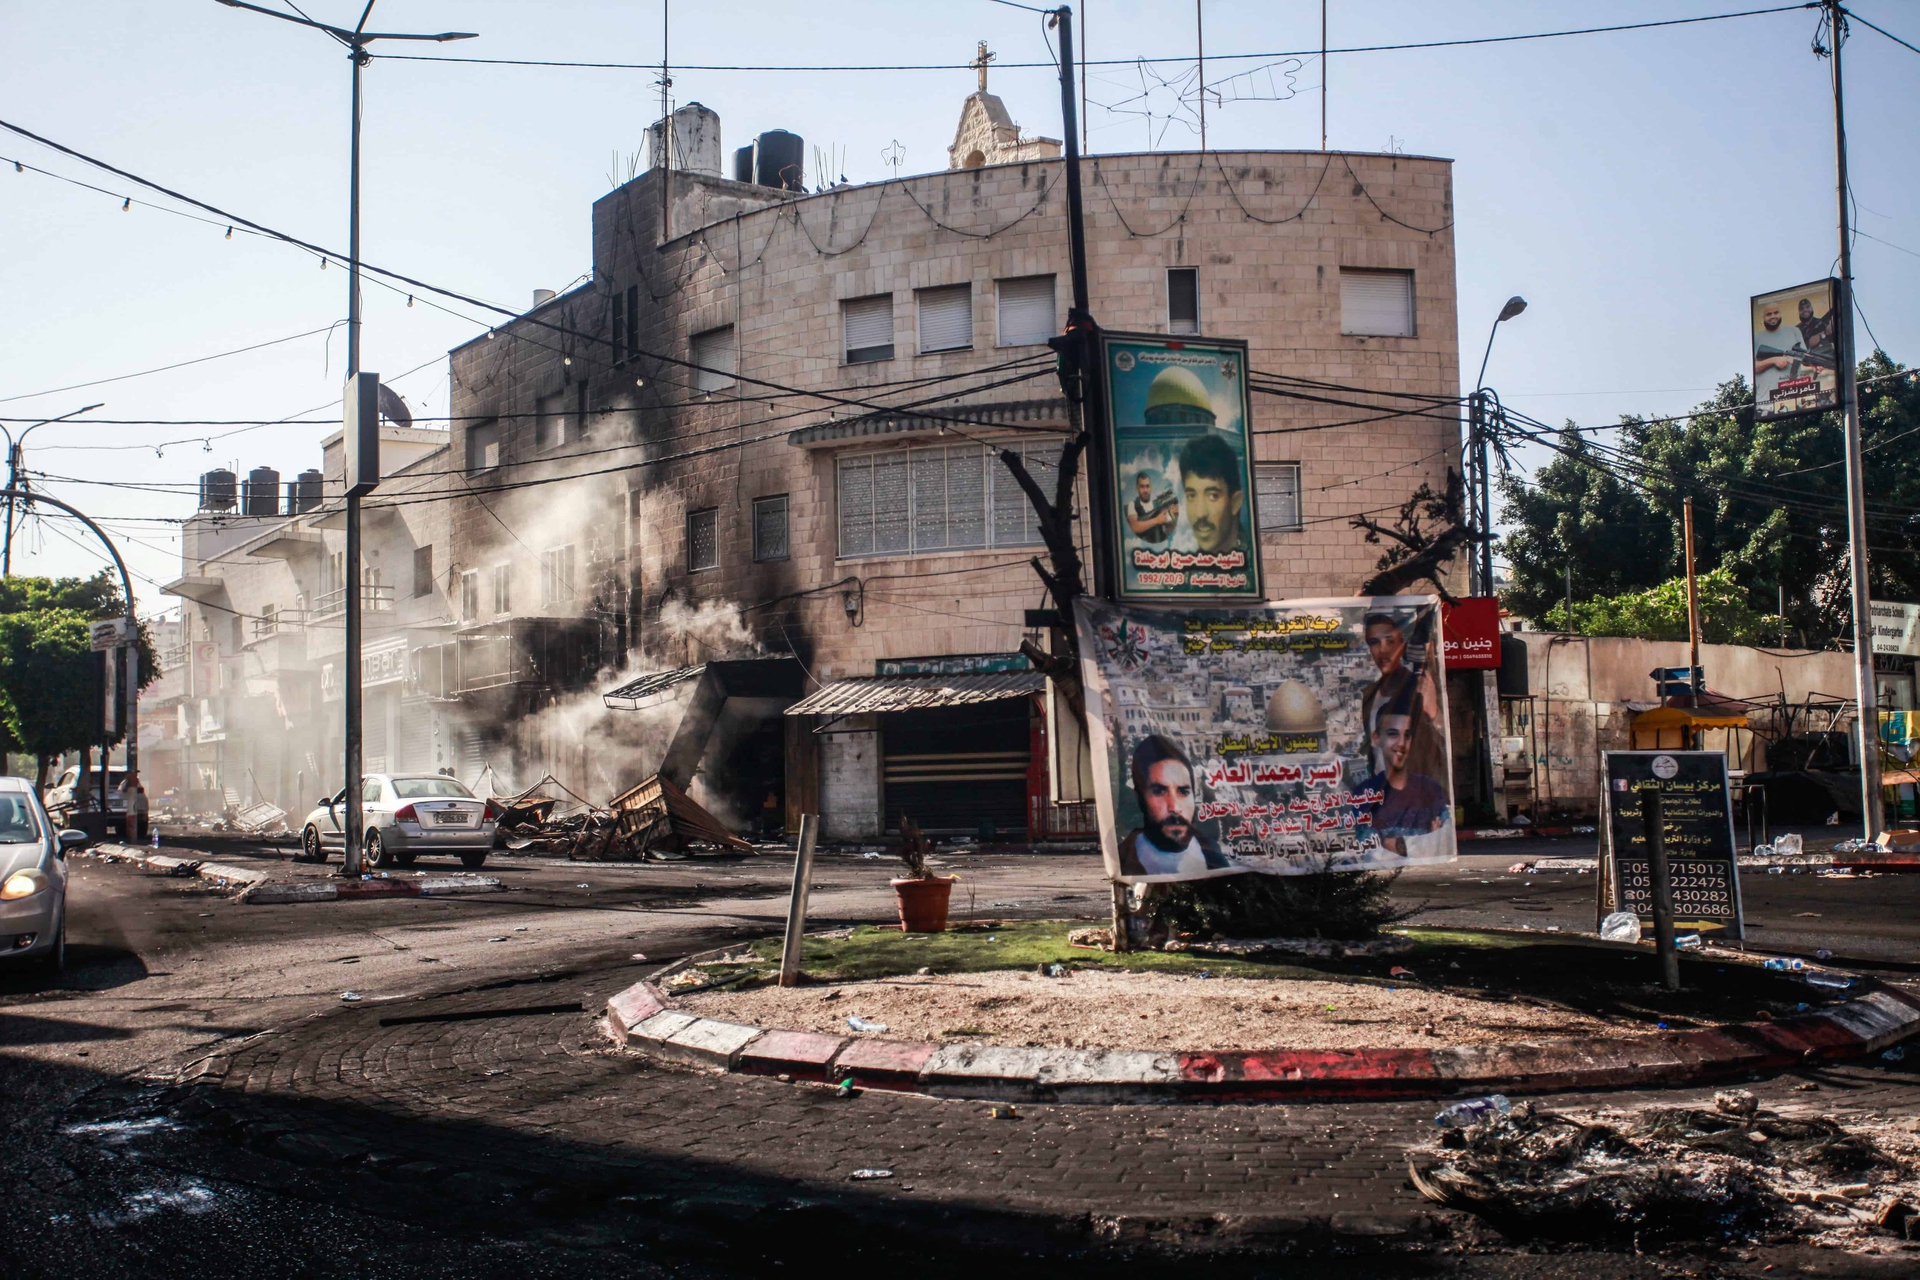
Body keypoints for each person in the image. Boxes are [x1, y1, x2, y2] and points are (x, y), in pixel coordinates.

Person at [1117, 734, 1233, 878]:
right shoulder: (1122, 862)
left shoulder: (1213, 857)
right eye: (1159, 791)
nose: (1175, 807)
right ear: (1140, 797)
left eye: (1183, 792)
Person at [1358, 612, 1445, 781]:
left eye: (1390, 641)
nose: (1383, 650)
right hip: (1381, 795)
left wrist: (1433, 711)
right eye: (1375, 642)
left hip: (1414, 791)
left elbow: (1444, 743)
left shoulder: (1419, 687)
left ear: (1401, 644)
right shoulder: (1369, 694)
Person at [1356, 698, 1449, 854]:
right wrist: (1424, 841)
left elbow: (1444, 840)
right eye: (1393, 734)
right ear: (1376, 739)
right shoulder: (1364, 794)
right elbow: (1368, 848)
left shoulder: (1431, 789)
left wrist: (1395, 844)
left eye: (1406, 735)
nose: (1401, 743)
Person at [1175, 433, 1245, 556]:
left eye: (1213, 496)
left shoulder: (1252, 564)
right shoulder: (1189, 570)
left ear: (1235, 502)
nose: (1200, 513)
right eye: (1191, 496)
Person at [1753, 302, 1808, 405]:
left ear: (1780, 314)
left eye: (1776, 313)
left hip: (1794, 395)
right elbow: (1754, 367)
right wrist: (1773, 360)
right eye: (1769, 314)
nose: (1773, 316)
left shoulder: (1794, 331)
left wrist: (1815, 364)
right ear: (1763, 317)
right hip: (1766, 400)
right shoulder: (1757, 338)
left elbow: (1805, 358)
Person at [1125, 470, 1177, 544]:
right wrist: (1157, 520)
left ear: (1151, 487)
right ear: (1137, 488)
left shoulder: (1157, 504)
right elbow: (1135, 526)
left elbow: (1170, 526)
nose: (1145, 490)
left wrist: (1173, 514)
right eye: (1142, 486)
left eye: (1147, 486)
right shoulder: (1132, 505)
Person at [1796, 296, 1836, 365]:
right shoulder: (1796, 330)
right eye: (1802, 309)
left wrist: (1830, 330)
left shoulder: (1821, 322)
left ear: (1811, 308)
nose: (1805, 310)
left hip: (1828, 360)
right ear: (1799, 312)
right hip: (1809, 364)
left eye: (1807, 307)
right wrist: (1821, 335)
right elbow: (1796, 350)